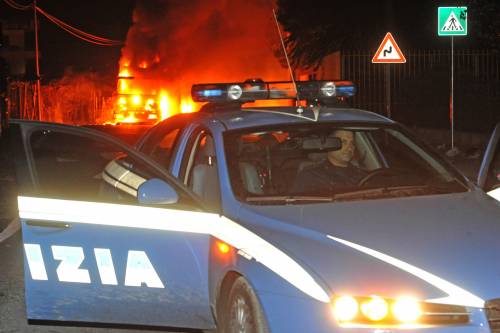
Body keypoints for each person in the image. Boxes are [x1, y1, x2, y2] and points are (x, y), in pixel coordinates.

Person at [292, 129, 366, 195]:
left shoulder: (362, 174)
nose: (349, 148)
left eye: (352, 143)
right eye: (343, 142)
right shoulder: (310, 175)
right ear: (330, 144)